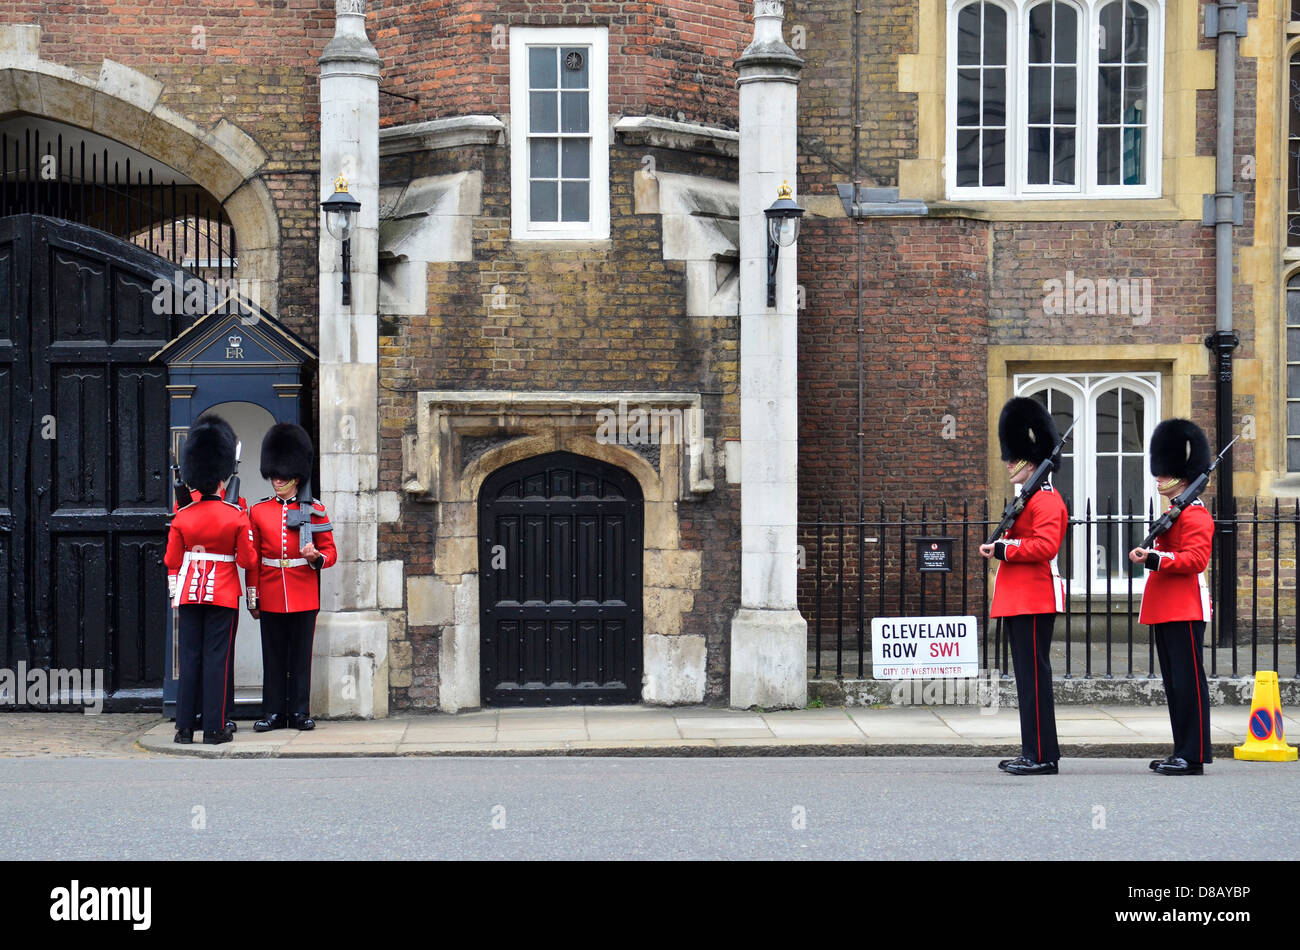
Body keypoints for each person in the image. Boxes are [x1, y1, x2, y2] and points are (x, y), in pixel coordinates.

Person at [979, 397, 1068, 776]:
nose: (1008, 465)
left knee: (1034, 679)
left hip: (1034, 598)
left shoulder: (1045, 501)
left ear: (1030, 462)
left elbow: (1045, 547)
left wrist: (1004, 547)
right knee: (1027, 680)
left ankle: (1043, 756)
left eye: (1014, 459)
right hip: (1020, 599)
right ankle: (1034, 750)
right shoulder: (1027, 500)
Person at [1128, 419, 1215, 776]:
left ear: (1182, 475)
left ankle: (1193, 755)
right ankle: (1182, 749)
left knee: (1188, 682)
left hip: (1184, 607)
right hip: (1167, 608)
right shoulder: (1174, 512)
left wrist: (1154, 558)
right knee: (1175, 683)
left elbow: (1196, 560)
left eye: (1164, 475)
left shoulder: (1194, 514)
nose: (1159, 479)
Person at [164, 416, 258, 745]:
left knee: (190, 659)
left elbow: (171, 560)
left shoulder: (182, 515)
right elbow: (248, 560)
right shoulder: (235, 515)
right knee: (217, 659)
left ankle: (184, 728)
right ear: (222, 479)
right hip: (222, 594)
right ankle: (215, 729)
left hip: (189, 594)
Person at [248, 423, 336, 732]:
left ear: (296, 478)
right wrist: (253, 598)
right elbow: (253, 559)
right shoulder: (258, 512)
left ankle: (299, 712)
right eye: (274, 476)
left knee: (300, 659)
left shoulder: (315, 510)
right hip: (271, 592)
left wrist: (316, 558)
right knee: (273, 658)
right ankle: (273, 712)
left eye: (282, 477)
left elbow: (331, 553)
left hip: (303, 592)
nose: (276, 481)